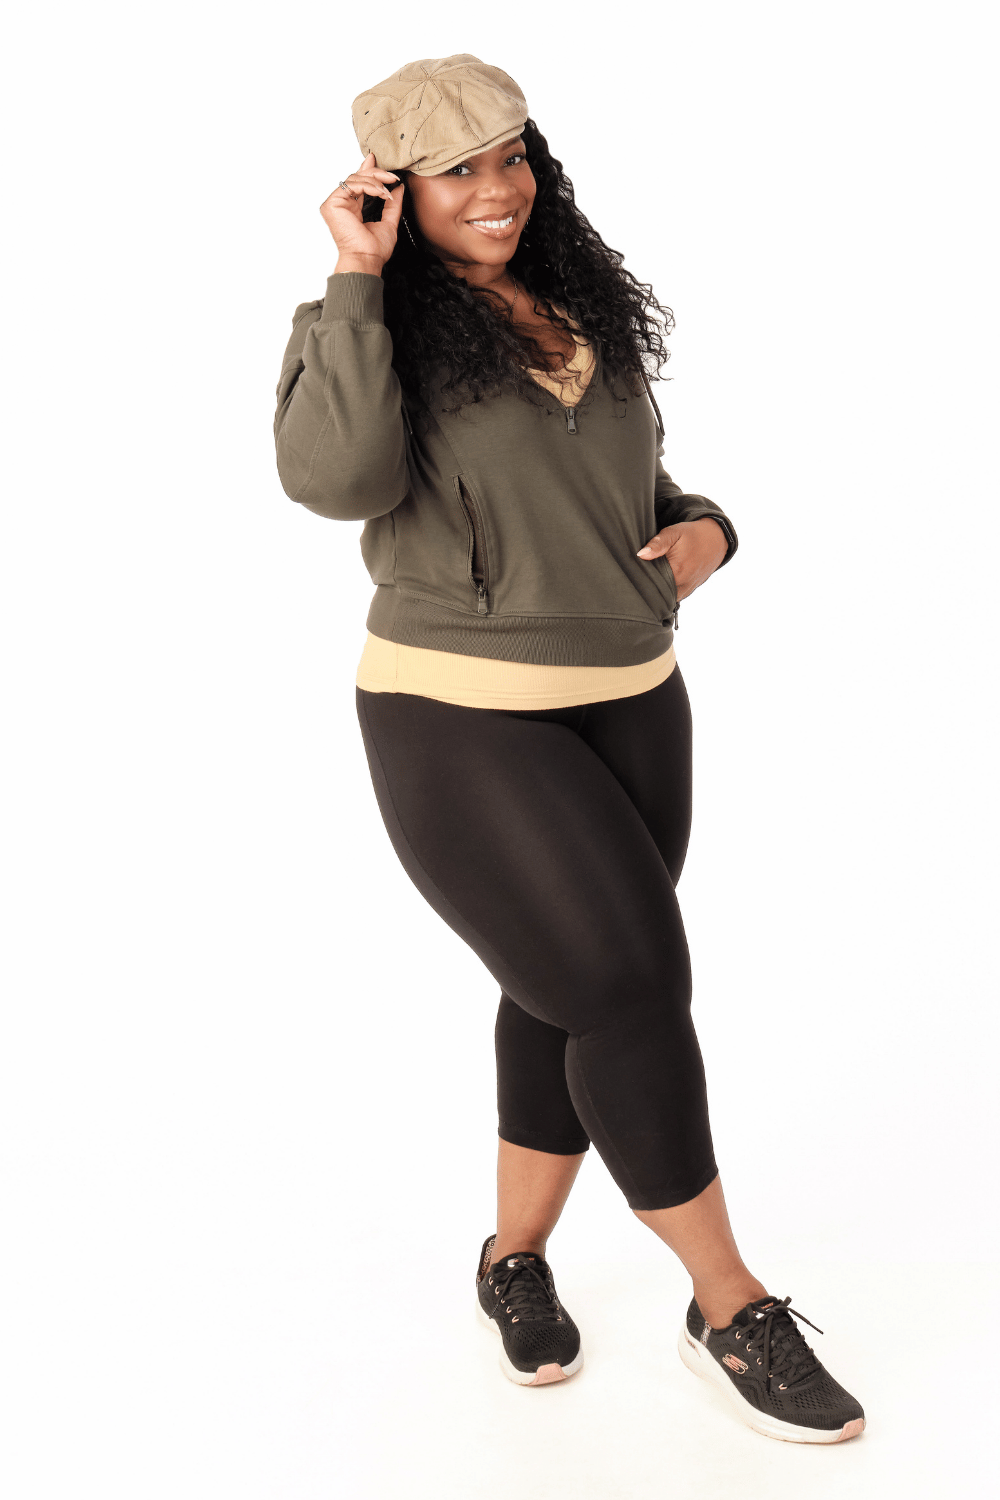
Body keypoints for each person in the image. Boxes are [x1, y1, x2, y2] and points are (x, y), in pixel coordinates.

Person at [273, 54, 865, 1444]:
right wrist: (356, 279)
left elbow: (622, 488)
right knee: (630, 983)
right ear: (390, 189)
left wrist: (708, 526)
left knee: (562, 989)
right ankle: (729, 1306)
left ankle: (512, 1262)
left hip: (635, 692)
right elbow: (335, 482)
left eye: (512, 157)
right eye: (457, 170)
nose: (498, 190)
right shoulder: (367, 326)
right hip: (459, 707)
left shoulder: (580, 306)